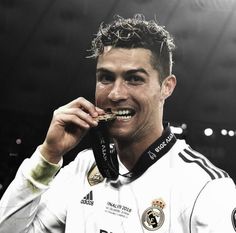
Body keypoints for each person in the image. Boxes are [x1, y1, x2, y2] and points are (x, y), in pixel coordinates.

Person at [0, 14, 235, 233]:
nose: (115, 94)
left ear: (167, 87)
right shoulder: (83, 168)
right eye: (106, 78)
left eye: (134, 79)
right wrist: (47, 157)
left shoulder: (207, 188)